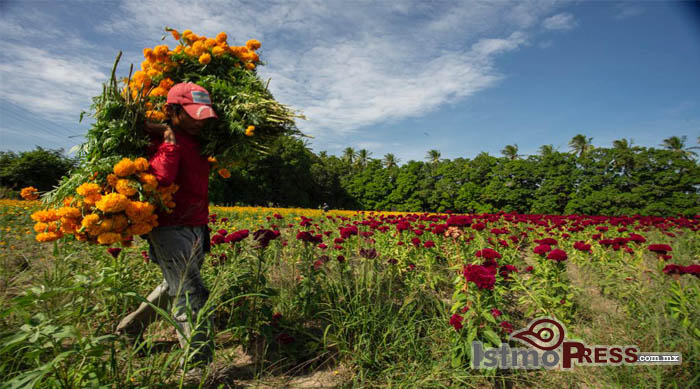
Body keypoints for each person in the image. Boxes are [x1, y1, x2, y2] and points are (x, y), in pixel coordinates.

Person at [116, 82, 217, 368]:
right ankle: (198, 367)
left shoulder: (202, 142)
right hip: (169, 227)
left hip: (197, 223)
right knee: (191, 292)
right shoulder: (158, 141)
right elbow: (161, 181)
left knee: (173, 284)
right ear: (172, 111)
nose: (199, 121)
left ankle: (131, 328)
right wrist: (169, 139)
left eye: (203, 115)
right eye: (192, 114)